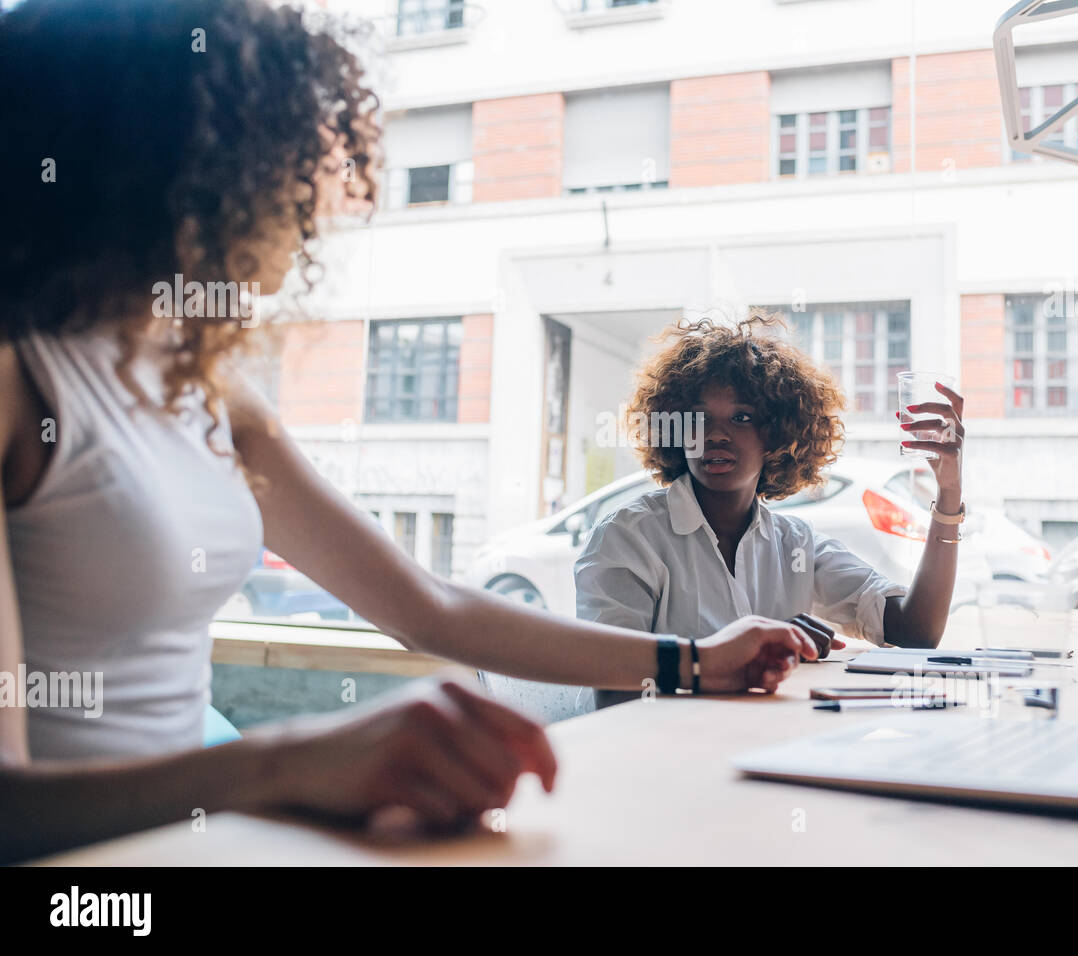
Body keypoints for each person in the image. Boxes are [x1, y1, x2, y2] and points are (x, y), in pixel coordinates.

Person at [0, 0, 819, 864]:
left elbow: (428, 607)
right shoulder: (21, 380)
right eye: (274, 149)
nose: (313, 192)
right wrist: (290, 760)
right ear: (164, 161)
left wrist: (691, 662)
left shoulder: (209, 391)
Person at [575, 312, 965, 706]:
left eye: (742, 417)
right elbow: (614, 689)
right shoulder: (628, 538)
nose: (715, 434)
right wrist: (748, 653)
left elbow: (916, 631)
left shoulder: (795, 544)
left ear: (779, 434)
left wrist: (948, 492)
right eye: (699, 418)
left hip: (758, 746)